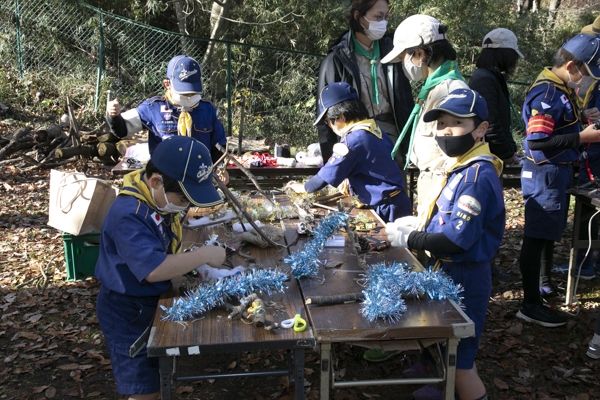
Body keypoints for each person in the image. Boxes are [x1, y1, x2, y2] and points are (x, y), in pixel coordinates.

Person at [386, 88, 505, 400]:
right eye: (440, 124)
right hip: (446, 269)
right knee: (441, 338)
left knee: (461, 358)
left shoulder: (476, 176)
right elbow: (448, 221)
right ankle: (440, 384)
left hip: (464, 274)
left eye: (456, 123)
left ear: (480, 129)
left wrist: (410, 238)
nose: (446, 131)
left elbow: (456, 239)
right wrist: (420, 224)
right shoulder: (461, 167)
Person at [95, 135, 226, 399]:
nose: (186, 206)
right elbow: (153, 268)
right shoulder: (129, 214)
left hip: (151, 301)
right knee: (144, 389)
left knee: (156, 375)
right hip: (127, 311)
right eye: (183, 198)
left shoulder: (151, 200)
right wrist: (203, 254)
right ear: (156, 182)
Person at [517, 34, 600, 328]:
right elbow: (538, 141)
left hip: (556, 173)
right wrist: (582, 136)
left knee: (545, 236)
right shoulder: (548, 94)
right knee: (536, 237)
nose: (587, 81)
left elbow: (559, 124)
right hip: (545, 175)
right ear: (571, 65)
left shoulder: (562, 89)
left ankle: (542, 287)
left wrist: (583, 118)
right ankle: (529, 304)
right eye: (587, 73)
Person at [380, 14, 469, 217]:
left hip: (442, 186)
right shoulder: (434, 87)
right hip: (431, 180)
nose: (404, 66)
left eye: (404, 58)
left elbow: (455, 155)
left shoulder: (449, 90)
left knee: (433, 246)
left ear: (420, 53)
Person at [287, 82, 412, 222]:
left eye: (328, 120)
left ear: (341, 117)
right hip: (397, 202)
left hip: (387, 209)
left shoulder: (353, 140)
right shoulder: (374, 130)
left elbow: (321, 180)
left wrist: (301, 187)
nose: (329, 125)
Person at [316, 0, 413, 166]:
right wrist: (331, 160)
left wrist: (410, 144)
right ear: (358, 16)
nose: (383, 22)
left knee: (395, 189)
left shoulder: (394, 53)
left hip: (392, 136)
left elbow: (405, 102)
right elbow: (326, 114)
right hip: (354, 138)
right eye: (378, 16)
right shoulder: (337, 59)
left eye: (386, 17)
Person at [106, 54, 227, 164]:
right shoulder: (153, 107)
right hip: (163, 176)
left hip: (199, 174)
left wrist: (220, 167)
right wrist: (114, 116)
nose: (189, 97)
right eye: (184, 93)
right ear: (167, 84)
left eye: (193, 92)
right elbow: (122, 130)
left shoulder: (208, 110)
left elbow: (219, 146)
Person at [552, 18, 600, 281]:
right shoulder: (588, 82)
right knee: (587, 214)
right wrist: (588, 116)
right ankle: (584, 263)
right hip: (590, 157)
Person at [468, 28, 523, 165]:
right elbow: (490, 123)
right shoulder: (484, 79)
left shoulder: (493, 77)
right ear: (504, 54)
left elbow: (501, 120)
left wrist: (510, 149)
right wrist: (506, 153)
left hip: (491, 156)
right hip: (486, 157)